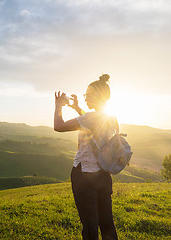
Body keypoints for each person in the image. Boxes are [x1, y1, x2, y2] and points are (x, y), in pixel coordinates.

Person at [54, 74, 118, 240]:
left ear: (98, 96)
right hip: (104, 175)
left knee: (90, 227)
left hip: (84, 175)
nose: (86, 97)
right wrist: (77, 108)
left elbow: (58, 126)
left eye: (88, 95)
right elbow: (90, 122)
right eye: (85, 95)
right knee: (107, 223)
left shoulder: (90, 118)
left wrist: (58, 105)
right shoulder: (110, 117)